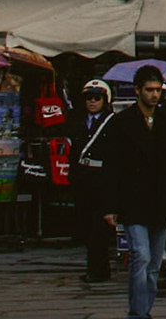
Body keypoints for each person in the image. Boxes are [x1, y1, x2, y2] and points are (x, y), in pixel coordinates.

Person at [93, 65, 166, 319]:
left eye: (158, 90)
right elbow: (111, 166)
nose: (154, 95)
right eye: (149, 90)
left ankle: (143, 309)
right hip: (133, 200)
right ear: (138, 90)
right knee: (141, 256)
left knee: (154, 262)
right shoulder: (122, 122)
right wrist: (109, 206)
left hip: (161, 200)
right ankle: (138, 313)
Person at [71, 78, 116, 284]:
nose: (92, 102)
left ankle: (99, 270)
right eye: (88, 97)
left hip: (103, 179)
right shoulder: (78, 122)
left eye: (97, 98)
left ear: (105, 100)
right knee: (87, 227)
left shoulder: (112, 122)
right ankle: (93, 267)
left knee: (99, 228)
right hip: (84, 179)